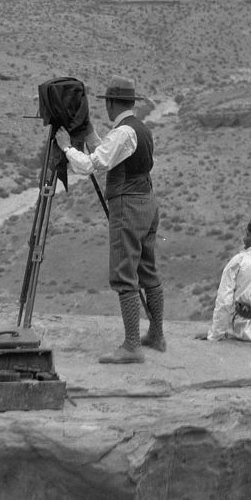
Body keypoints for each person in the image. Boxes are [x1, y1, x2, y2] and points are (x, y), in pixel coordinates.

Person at [55, 75, 164, 363]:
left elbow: (93, 165)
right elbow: (112, 153)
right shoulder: (139, 129)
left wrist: (67, 148)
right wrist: (90, 134)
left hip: (129, 206)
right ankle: (156, 335)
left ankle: (131, 346)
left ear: (112, 103)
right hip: (148, 203)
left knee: (124, 273)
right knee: (147, 270)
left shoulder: (123, 133)